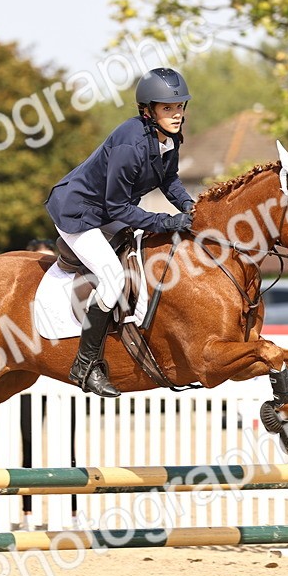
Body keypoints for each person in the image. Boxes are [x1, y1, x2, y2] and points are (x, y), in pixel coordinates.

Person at [45, 67, 195, 397]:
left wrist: (188, 206)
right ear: (148, 110)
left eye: (180, 106)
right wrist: (165, 221)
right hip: (79, 213)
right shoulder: (130, 143)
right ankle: (85, 366)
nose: (177, 114)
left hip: (107, 210)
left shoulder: (168, 139)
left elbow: (169, 181)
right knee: (113, 275)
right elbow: (118, 209)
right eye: (168, 108)